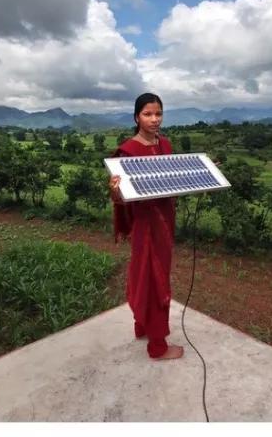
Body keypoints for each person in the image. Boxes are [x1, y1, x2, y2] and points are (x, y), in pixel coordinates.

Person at [109, 93, 184, 360]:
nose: (154, 119)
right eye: (148, 114)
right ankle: (158, 346)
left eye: (158, 114)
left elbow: (171, 182)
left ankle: (141, 327)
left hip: (165, 222)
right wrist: (116, 193)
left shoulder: (166, 144)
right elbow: (122, 199)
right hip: (146, 225)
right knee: (152, 280)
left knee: (152, 275)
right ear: (136, 117)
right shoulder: (127, 151)